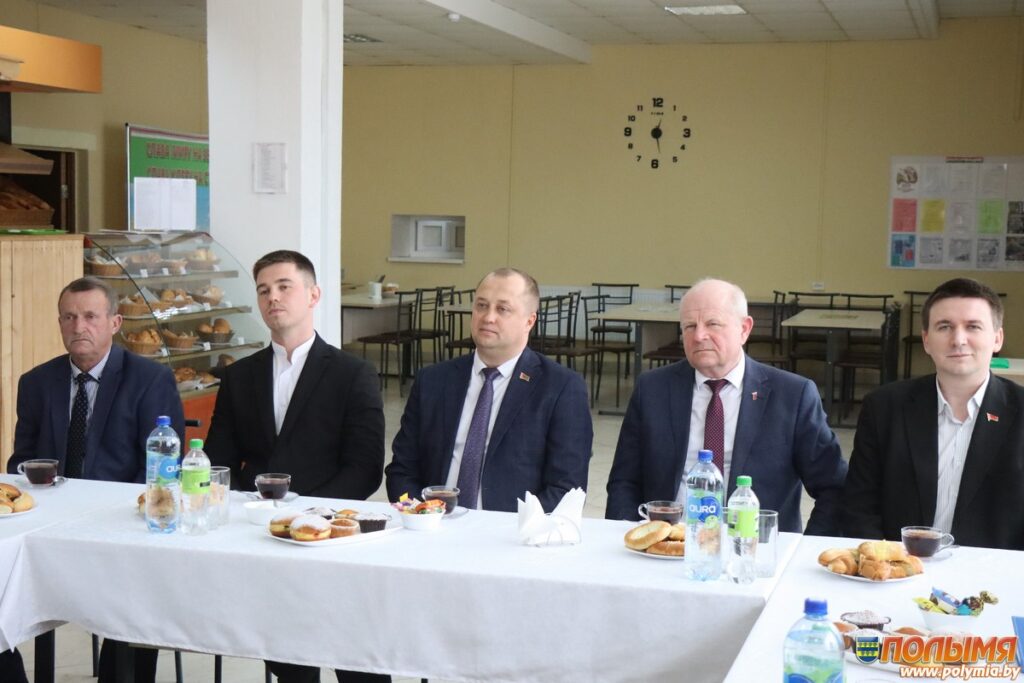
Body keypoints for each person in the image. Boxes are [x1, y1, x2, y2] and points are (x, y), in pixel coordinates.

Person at [205, 250, 385, 683]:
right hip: (261, 533)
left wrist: (310, 516)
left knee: (355, 656)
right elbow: (218, 460)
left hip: (333, 533)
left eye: (284, 287)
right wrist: (250, 509)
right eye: (264, 290)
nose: (273, 297)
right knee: (287, 653)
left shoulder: (353, 373)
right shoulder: (239, 376)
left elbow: (365, 466)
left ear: (313, 295)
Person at [5, 276, 184, 683]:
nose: (78, 326)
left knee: (136, 606)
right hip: (48, 528)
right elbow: (22, 461)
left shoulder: (149, 379)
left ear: (115, 323)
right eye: (69, 317)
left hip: (121, 526)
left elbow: (159, 469)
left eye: (90, 316)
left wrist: (117, 515)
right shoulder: (36, 382)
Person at [605, 278, 847, 534]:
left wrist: (806, 548)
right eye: (689, 326)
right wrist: (630, 538)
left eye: (712, 324)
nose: (699, 336)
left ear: (744, 329)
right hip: (668, 542)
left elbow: (834, 487)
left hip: (754, 545)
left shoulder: (792, 396)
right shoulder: (653, 389)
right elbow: (624, 482)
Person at [386, 268, 592, 513]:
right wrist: (421, 514)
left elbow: (566, 488)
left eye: (502, 309)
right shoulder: (433, 380)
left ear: (529, 321)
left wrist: (511, 527)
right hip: (432, 523)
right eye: (481, 306)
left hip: (512, 530)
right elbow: (402, 470)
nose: (488, 317)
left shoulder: (560, 388)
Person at [842, 278, 1024, 550]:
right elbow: (858, 506)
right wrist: (884, 563)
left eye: (973, 326)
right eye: (944, 327)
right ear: (926, 340)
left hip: (995, 571)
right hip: (899, 565)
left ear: (997, 338)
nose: (958, 340)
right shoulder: (883, 408)